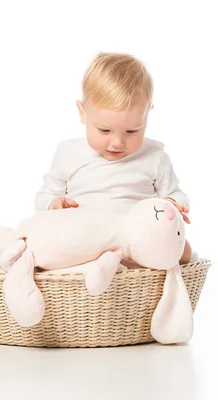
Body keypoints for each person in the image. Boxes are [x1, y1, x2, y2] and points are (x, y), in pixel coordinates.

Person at [34, 52, 197, 264]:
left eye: (131, 131)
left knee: (183, 252)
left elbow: (176, 193)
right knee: (45, 245)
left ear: (148, 115)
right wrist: (53, 203)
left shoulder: (155, 158)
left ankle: (128, 267)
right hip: (84, 240)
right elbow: (44, 195)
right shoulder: (69, 153)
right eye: (104, 130)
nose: (117, 143)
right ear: (82, 113)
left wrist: (173, 202)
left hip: (136, 241)